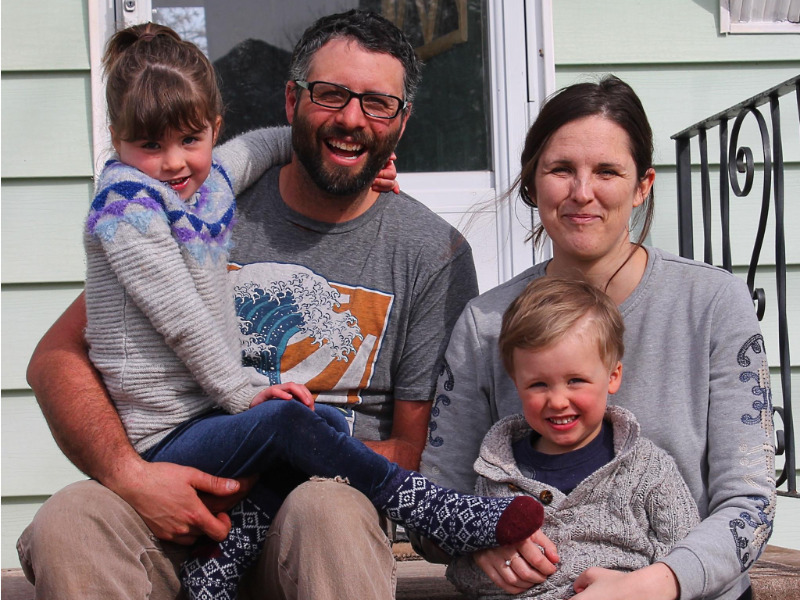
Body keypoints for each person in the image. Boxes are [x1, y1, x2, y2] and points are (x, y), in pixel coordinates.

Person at [18, 10, 489, 600]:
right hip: (173, 507)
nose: (350, 119)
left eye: (377, 104)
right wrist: (128, 474)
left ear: (401, 121)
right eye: (330, 95)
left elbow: (408, 451)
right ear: (291, 101)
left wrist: (268, 462)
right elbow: (54, 359)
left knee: (329, 512)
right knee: (72, 517)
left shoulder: (430, 252)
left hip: (317, 518)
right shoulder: (193, 202)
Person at [420, 75, 776, 600]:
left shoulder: (713, 303)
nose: (581, 192)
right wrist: (478, 542)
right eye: (560, 169)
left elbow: (751, 503)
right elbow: (436, 504)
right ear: (533, 183)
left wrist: (657, 584)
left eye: (607, 171)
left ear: (642, 186)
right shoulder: (484, 323)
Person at [445, 276, 701, 599]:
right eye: (539, 384)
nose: (558, 400)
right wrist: (487, 562)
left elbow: (687, 557)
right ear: (516, 381)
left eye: (576, 380)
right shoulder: (498, 474)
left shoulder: (647, 469)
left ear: (612, 376)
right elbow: (463, 572)